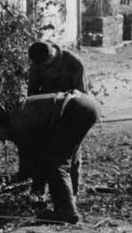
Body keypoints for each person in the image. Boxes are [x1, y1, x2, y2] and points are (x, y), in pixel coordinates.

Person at [7, 88, 100, 224]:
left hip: (75, 108)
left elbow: (28, 157)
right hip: (87, 104)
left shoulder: (16, 118)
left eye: (0, 135)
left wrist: (20, 185)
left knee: (56, 162)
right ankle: (68, 201)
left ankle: (67, 213)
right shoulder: (19, 111)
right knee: (66, 156)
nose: (4, 139)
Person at [24, 41, 87, 195]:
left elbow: (81, 94)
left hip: (71, 111)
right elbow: (32, 92)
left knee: (70, 155)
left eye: (45, 65)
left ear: (52, 56)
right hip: (47, 113)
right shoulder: (37, 63)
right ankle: (38, 194)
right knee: (41, 151)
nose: (42, 68)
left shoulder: (73, 63)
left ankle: (71, 196)